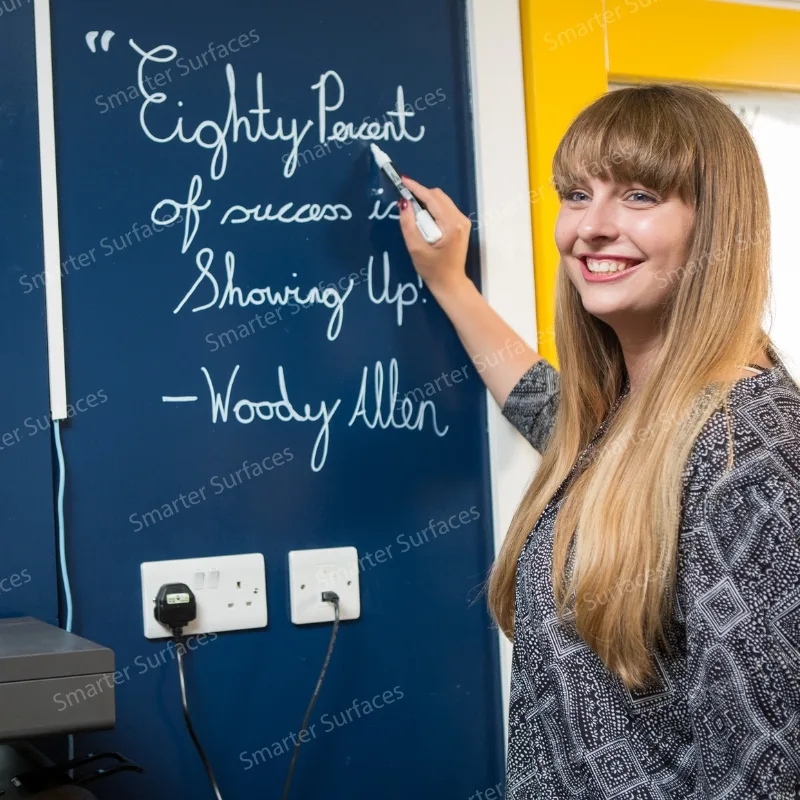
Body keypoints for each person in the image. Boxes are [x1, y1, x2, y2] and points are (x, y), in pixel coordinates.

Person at [397, 83, 800, 799]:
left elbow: (767, 774)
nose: (590, 227)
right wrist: (450, 284)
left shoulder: (749, 454)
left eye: (641, 196)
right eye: (577, 194)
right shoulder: (629, 416)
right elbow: (543, 405)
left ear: (717, 226)